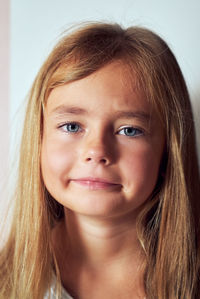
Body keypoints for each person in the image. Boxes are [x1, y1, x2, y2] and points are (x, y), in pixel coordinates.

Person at [0, 22, 200, 299]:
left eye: (129, 130)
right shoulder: (6, 281)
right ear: (40, 139)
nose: (96, 151)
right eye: (71, 126)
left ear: (167, 152)